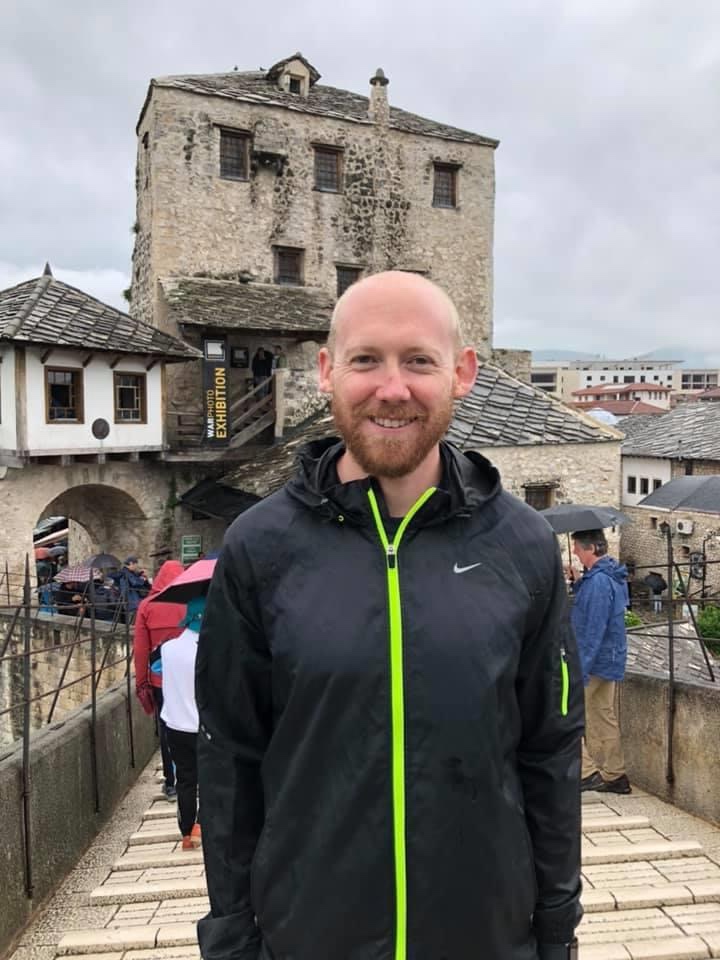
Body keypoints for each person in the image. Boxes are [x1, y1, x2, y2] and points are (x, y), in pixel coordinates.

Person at [196, 271, 584, 960]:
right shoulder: (260, 548)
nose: (393, 388)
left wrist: (557, 929)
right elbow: (230, 756)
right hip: (310, 937)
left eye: (419, 361)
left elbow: (549, 750)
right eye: (366, 359)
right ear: (327, 371)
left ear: (462, 373)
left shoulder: (522, 545)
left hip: (487, 937)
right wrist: (230, 937)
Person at [569, 529, 631, 795]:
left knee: (567, 715)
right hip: (609, 659)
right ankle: (615, 775)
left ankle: (587, 772)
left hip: (593, 661)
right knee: (602, 715)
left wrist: (580, 668)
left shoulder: (598, 582)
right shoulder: (608, 577)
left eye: (578, 548)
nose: (574, 552)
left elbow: (592, 627)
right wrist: (579, 581)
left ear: (591, 549)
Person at [133, 559, 186, 800]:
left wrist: (141, 682)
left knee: (166, 727)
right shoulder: (190, 603)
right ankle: (193, 775)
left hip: (160, 679)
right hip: (189, 676)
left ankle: (172, 782)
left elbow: (141, 649)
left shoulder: (147, 606)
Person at [160, 596, 204, 850]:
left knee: (185, 779)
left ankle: (186, 832)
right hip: (202, 726)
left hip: (175, 725)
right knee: (209, 778)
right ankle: (201, 823)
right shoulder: (208, 651)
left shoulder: (168, 650)